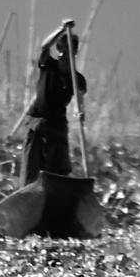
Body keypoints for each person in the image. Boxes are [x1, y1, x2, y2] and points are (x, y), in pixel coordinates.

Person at [20, 19, 87, 186]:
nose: (62, 55)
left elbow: (79, 98)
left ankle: (57, 189)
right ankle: (28, 190)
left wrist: (80, 112)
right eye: (60, 51)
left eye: (67, 51)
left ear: (74, 54)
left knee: (59, 163)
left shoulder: (77, 78)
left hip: (57, 124)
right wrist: (61, 29)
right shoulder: (49, 65)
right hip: (37, 120)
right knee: (31, 163)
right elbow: (44, 47)